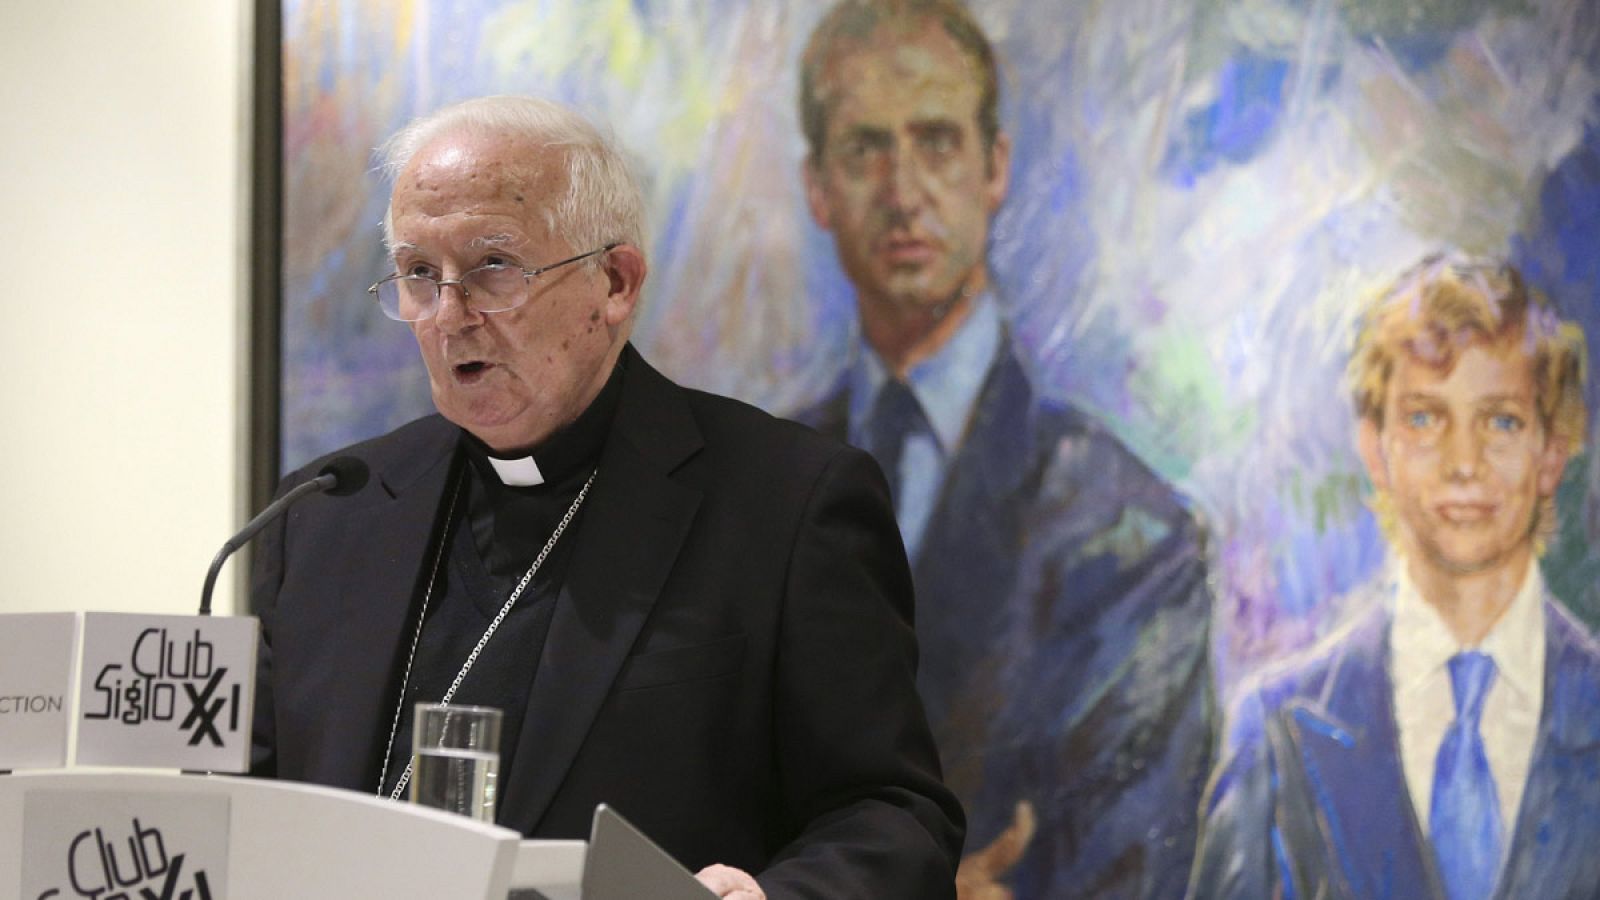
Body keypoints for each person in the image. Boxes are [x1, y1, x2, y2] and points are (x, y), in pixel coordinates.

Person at [249, 94, 965, 899]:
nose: (450, 317)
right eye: (419, 274)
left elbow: (894, 816)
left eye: (492, 266)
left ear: (616, 282)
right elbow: (239, 811)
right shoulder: (326, 515)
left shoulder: (788, 504)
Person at [794, 1, 1215, 896]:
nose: (904, 190)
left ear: (995, 168)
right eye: (866, 147)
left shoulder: (1131, 532)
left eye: (937, 140)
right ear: (817, 189)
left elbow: (1133, 871)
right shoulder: (753, 481)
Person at [1188, 254, 1600, 898]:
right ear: (1374, 448)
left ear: (1551, 453)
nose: (1464, 463)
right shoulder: (1279, 732)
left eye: (1501, 421)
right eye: (1424, 418)